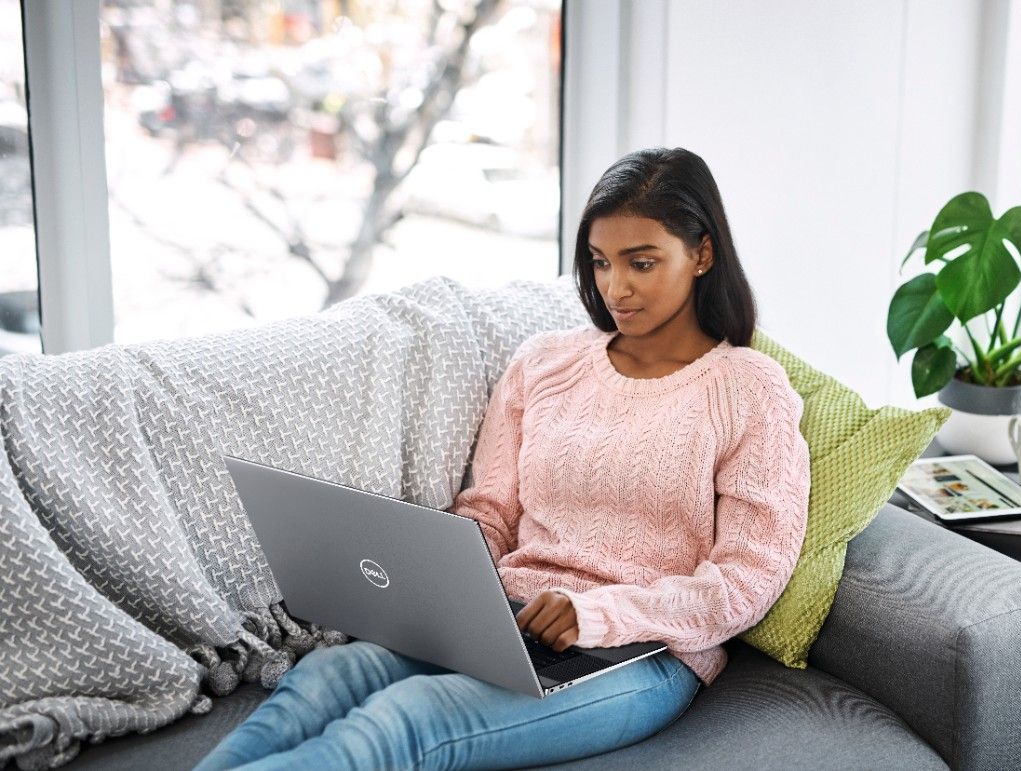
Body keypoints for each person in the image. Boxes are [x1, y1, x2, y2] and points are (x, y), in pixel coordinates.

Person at [193, 147, 811, 770]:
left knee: (401, 723)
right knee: (328, 675)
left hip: (643, 652)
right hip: (503, 624)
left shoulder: (750, 391)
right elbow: (489, 512)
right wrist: (433, 586)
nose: (614, 288)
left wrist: (595, 614)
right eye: (599, 263)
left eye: (642, 263)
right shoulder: (545, 363)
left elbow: (746, 581)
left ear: (702, 254)